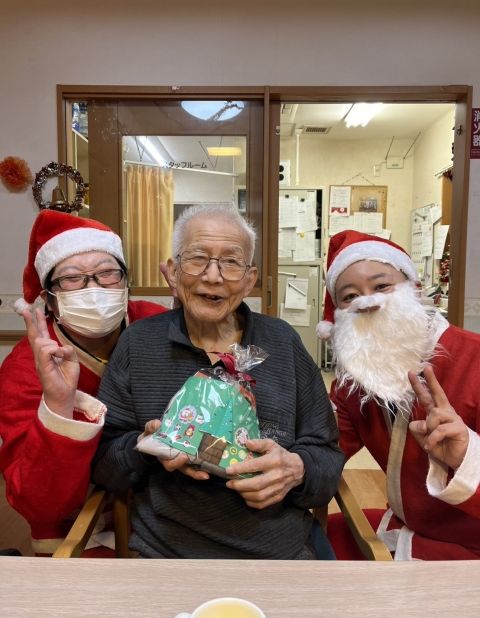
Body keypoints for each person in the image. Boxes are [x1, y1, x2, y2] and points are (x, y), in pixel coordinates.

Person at [91, 204, 344, 559]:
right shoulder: (138, 343)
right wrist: (147, 447)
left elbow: (327, 455)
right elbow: (103, 462)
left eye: (231, 262)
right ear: (174, 271)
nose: (213, 276)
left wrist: (297, 470)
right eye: (198, 258)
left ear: (250, 280)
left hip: (279, 553)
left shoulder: (283, 342)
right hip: (167, 553)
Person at [0, 210, 168, 557]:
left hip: (163, 499)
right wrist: (59, 407)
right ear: (49, 297)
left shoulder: (154, 322)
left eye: (107, 273)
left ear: (125, 281)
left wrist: (193, 324)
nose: (94, 288)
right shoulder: (25, 369)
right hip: (79, 523)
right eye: (72, 278)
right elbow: (39, 505)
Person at [316, 229, 480, 560]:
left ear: (414, 288)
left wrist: (467, 455)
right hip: (407, 532)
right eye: (349, 296)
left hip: (468, 549)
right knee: (310, 542)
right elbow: (326, 448)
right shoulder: (354, 383)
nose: (367, 302)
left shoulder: (473, 358)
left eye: (381, 287)